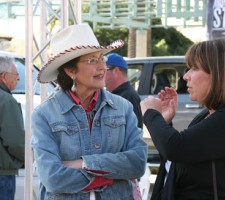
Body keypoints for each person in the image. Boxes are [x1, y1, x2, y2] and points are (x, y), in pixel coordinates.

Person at [31, 23, 147, 200]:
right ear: (71, 71)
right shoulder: (44, 114)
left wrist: (83, 163)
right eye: (92, 60)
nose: (102, 67)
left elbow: (138, 163)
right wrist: (109, 177)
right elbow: (52, 178)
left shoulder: (123, 108)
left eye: (102, 58)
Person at [141, 38, 225, 200]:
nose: (186, 76)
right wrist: (164, 122)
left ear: (220, 74)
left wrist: (151, 114)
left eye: (194, 68)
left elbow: (175, 148)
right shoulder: (208, 115)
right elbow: (180, 157)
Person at [0, 56, 25, 200]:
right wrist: (28, 159)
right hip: (2, 175)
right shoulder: (6, 100)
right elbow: (15, 142)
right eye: (16, 75)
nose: (18, 79)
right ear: (3, 76)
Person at [105, 53, 143, 129]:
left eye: (104, 69)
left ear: (115, 70)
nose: (100, 73)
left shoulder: (128, 96)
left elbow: (134, 132)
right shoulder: (112, 95)